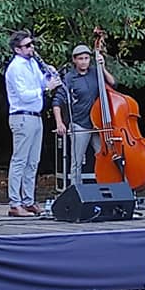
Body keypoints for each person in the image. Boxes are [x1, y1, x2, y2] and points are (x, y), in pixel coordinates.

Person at [5, 30, 62, 217]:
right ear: (17, 49)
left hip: (35, 116)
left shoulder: (32, 64)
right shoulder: (16, 68)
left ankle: (28, 200)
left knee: (33, 161)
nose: (32, 48)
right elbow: (25, 94)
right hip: (22, 115)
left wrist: (50, 75)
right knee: (20, 160)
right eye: (27, 46)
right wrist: (45, 87)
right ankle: (15, 203)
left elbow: (41, 82)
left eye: (32, 44)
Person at [52, 39, 116, 186]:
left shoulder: (95, 73)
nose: (84, 62)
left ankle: (108, 187)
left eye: (86, 58)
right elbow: (57, 101)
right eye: (80, 59)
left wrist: (103, 67)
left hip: (99, 124)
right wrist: (59, 122)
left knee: (105, 157)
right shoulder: (69, 78)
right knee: (77, 161)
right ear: (75, 60)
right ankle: (76, 191)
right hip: (80, 124)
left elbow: (112, 83)